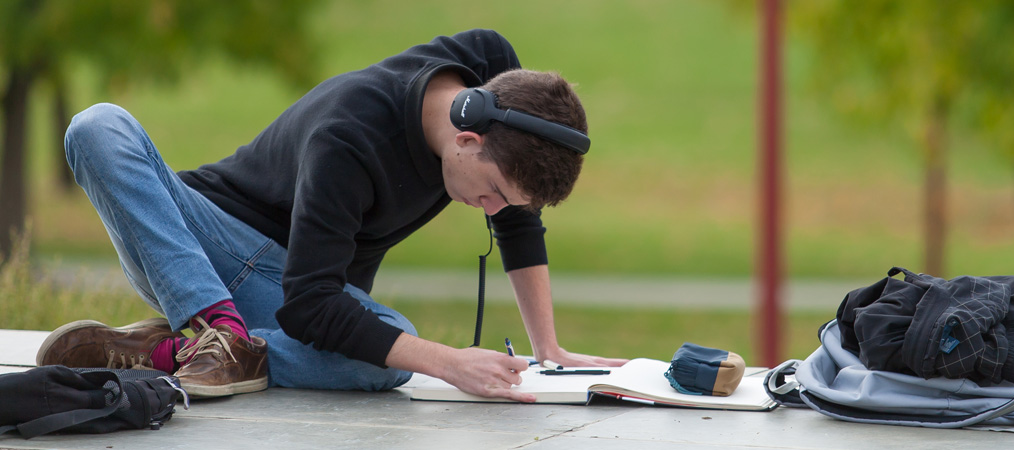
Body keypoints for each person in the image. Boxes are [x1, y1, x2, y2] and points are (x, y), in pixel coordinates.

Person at [35, 29, 627, 402]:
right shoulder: (349, 137)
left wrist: (548, 349)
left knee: (388, 363)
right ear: (467, 138)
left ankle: (181, 351)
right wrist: (452, 365)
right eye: (493, 192)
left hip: (299, 291)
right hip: (196, 249)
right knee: (96, 126)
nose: (492, 212)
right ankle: (211, 329)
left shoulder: (493, 72)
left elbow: (518, 216)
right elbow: (311, 303)